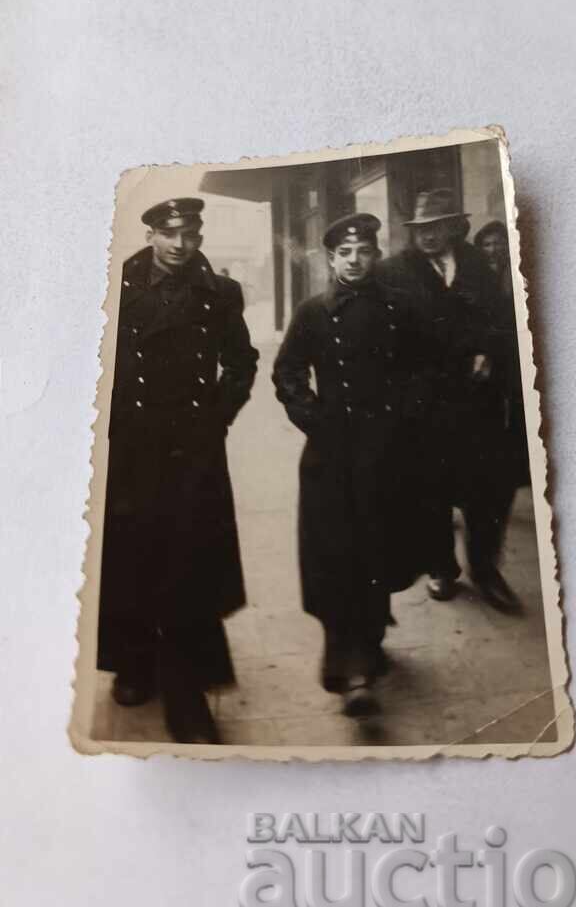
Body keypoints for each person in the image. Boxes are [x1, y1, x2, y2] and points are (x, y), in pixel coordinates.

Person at [98, 197, 259, 743]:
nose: (180, 245)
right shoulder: (115, 287)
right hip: (131, 449)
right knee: (132, 556)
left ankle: (188, 694)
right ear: (150, 235)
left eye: (189, 234)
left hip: (193, 449)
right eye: (169, 235)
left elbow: (242, 362)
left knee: (187, 565)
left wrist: (217, 417)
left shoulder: (219, 293)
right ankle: (134, 663)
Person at [272, 212, 428, 715]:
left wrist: (405, 415)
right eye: (345, 253)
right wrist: (314, 417)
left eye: (364, 252)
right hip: (331, 453)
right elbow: (288, 371)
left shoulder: (398, 308)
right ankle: (346, 660)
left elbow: (420, 368)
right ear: (331, 258)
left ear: (376, 255)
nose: (355, 260)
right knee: (334, 554)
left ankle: (372, 639)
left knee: (377, 548)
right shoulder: (315, 311)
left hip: (386, 451)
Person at [378, 188, 521, 613]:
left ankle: (486, 570)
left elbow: (498, 320)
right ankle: (441, 568)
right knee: (429, 491)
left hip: (477, 403)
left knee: (489, 491)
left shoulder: (476, 264)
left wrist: (487, 351)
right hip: (424, 406)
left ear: (453, 227)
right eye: (421, 228)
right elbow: (385, 341)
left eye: (436, 227)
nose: (428, 235)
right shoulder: (393, 272)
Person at [474, 219, 530, 489]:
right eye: (487, 243)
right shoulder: (476, 275)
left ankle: (521, 466)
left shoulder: (517, 272)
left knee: (519, 404)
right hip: (490, 352)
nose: (493, 248)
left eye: (498, 242)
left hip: (515, 352)